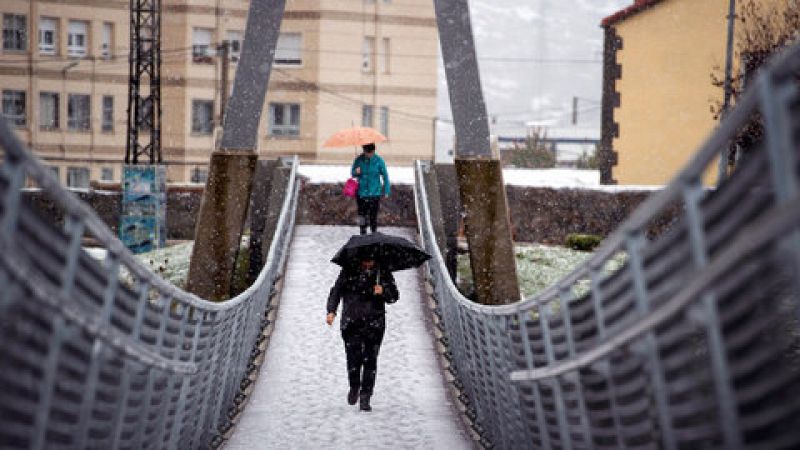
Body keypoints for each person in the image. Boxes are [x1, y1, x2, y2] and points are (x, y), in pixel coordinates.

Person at [326, 257, 398, 411]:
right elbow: (336, 291)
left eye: (371, 261)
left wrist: (383, 291)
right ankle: (354, 386)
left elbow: (394, 297)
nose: (367, 264)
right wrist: (331, 311)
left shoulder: (382, 272)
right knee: (353, 358)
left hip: (374, 323)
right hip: (352, 321)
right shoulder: (348, 271)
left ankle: (366, 396)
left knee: (370, 361)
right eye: (365, 261)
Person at [351, 143, 390, 235]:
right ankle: (362, 232)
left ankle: (374, 233)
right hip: (361, 193)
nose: (369, 155)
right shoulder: (359, 160)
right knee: (362, 216)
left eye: (371, 153)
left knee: (373, 216)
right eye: (367, 153)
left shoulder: (379, 161)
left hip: (374, 193)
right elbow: (352, 173)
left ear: (373, 151)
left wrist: (386, 190)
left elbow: (385, 176)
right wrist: (356, 172)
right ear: (364, 151)